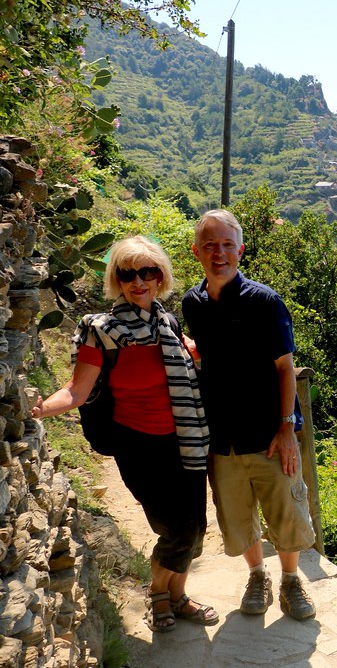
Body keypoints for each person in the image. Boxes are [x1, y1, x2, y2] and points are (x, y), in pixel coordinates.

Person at [33, 236, 215, 633]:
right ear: (116, 280)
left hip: (185, 438)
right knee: (175, 530)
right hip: (140, 446)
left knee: (196, 529)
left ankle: (179, 597)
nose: (139, 281)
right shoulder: (101, 331)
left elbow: (190, 355)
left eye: (148, 272)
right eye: (127, 273)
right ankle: (158, 594)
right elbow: (77, 390)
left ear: (160, 276)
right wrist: (39, 407)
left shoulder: (167, 323)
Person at [181, 209, 317, 621]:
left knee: (285, 512)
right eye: (210, 245)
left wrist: (287, 428)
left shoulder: (265, 301)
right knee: (237, 517)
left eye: (226, 244)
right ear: (197, 252)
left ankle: (291, 580)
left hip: (268, 433)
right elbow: (210, 351)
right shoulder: (193, 303)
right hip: (221, 436)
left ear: (240, 250)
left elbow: (284, 368)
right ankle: (258, 574)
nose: (218, 253)